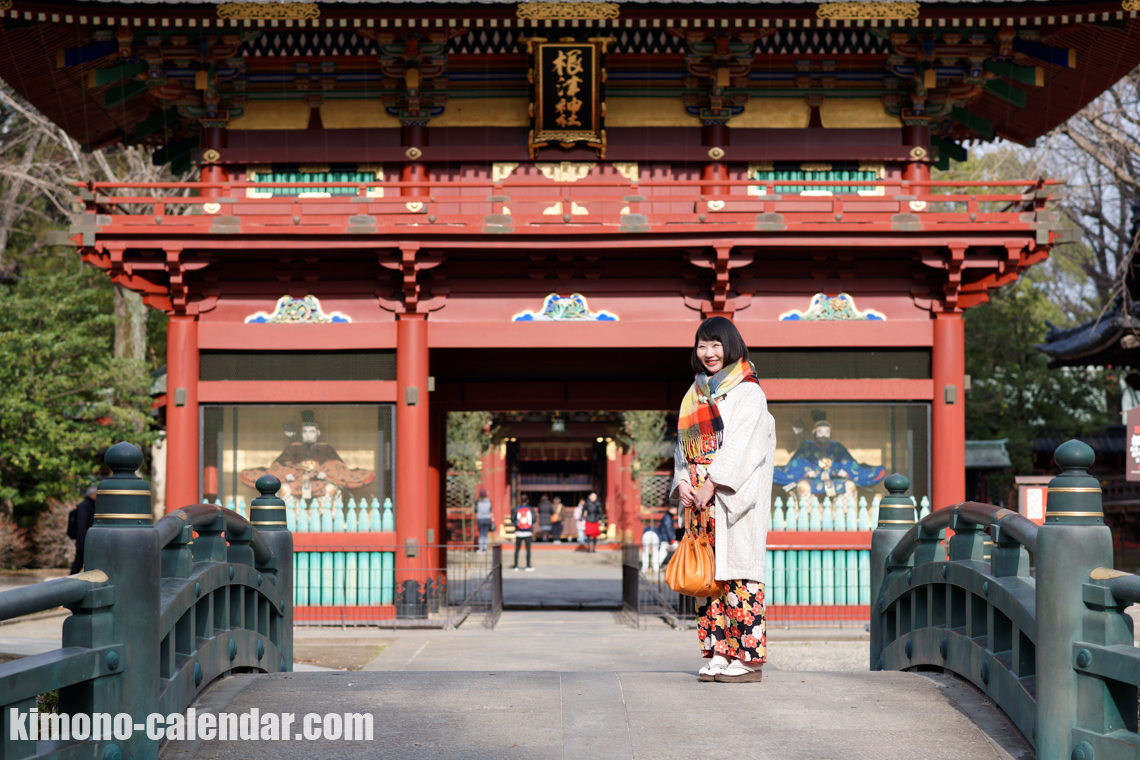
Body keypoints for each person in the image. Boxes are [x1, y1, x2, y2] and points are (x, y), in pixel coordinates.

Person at [672, 316, 775, 683]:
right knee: (707, 579)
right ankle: (717, 652)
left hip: (730, 499)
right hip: (698, 501)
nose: (709, 353)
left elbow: (742, 447)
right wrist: (683, 480)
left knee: (738, 577)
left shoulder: (749, 392)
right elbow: (684, 448)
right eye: (702, 345)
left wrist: (711, 484)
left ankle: (746, 659)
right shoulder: (695, 393)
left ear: (731, 346)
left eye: (716, 345)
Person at [240, 410, 376, 500]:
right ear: (301, 433)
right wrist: (287, 475)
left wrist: (326, 475)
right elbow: (281, 466)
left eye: (312, 431)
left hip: (319, 483)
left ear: (318, 433)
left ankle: (325, 520)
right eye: (305, 431)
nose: (308, 434)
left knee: (331, 488)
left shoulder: (326, 449)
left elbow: (337, 468)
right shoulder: (293, 447)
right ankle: (292, 520)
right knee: (284, 488)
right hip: (296, 483)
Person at [774, 409, 885, 498]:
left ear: (831, 433)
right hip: (811, 481)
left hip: (835, 481)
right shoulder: (807, 447)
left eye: (827, 432)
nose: (823, 435)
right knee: (803, 486)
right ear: (814, 432)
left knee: (849, 486)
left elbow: (848, 464)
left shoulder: (837, 447)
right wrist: (806, 473)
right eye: (820, 432)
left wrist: (845, 473)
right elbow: (797, 464)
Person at [69, 486, 97, 574]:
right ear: (91, 494)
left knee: (82, 561)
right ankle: (70, 581)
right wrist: (85, 539)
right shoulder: (85, 505)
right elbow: (82, 524)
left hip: (85, 539)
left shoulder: (89, 505)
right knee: (79, 562)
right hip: (84, 540)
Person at [511, 495, 536, 571]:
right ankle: (528, 566)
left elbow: (512, 518)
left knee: (517, 549)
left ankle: (516, 566)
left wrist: (517, 524)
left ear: (520, 500)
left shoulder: (516, 509)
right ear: (527, 500)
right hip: (528, 532)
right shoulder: (530, 509)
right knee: (528, 549)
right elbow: (534, 519)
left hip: (519, 532)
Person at [474, 488, 494, 553]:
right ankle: (485, 548)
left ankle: (480, 548)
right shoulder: (489, 501)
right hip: (487, 518)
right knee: (485, 534)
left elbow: (475, 510)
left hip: (480, 518)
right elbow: (490, 510)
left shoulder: (478, 501)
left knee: (481, 534)